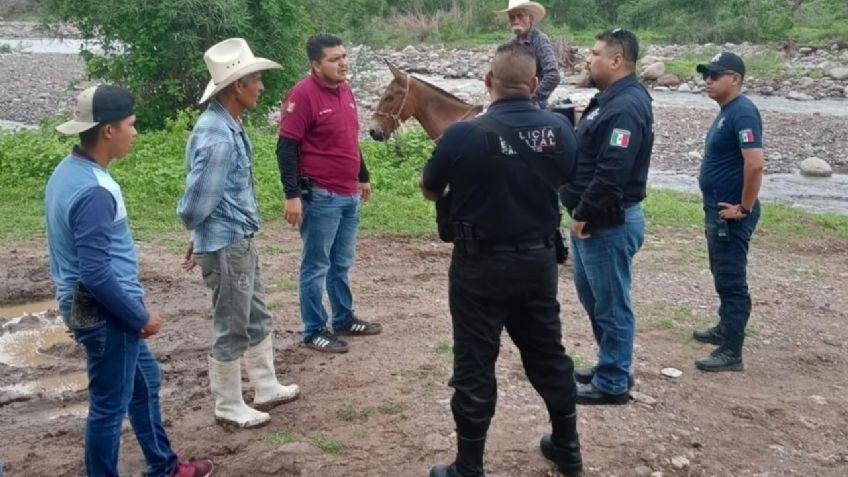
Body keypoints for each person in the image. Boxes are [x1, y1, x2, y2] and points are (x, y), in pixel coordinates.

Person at [421, 43, 582, 477]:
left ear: (488, 81)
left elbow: (431, 189)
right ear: (534, 85)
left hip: (480, 267)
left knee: (474, 362)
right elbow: (569, 176)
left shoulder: (463, 133)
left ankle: (469, 467)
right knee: (548, 355)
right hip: (538, 263)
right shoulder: (560, 130)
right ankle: (567, 448)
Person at [46, 85, 213, 477]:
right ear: (108, 131)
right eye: (131, 125)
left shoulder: (66, 171)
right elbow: (96, 272)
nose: (135, 133)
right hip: (107, 310)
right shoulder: (96, 191)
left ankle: (165, 466)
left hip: (89, 305)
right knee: (108, 405)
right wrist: (139, 317)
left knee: (144, 382)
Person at [177, 38, 299, 429]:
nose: (261, 86)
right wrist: (198, 230)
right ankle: (228, 403)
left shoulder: (226, 124)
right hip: (228, 243)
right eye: (256, 79)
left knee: (255, 312)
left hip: (235, 239)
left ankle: (265, 386)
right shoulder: (217, 136)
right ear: (236, 87)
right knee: (232, 321)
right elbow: (196, 203)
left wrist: (200, 232)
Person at [559, 28, 654, 405]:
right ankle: (610, 363)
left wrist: (583, 213)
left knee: (612, 303)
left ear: (616, 60)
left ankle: (613, 382)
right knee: (595, 299)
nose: (588, 58)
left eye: (595, 53)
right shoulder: (608, 99)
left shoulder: (626, 106)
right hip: (593, 220)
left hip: (606, 222)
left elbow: (613, 169)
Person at [277, 33, 381, 353]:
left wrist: (362, 176)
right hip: (320, 196)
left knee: (341, 262)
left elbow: (350, 139)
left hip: (348, 193)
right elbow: (286, 147)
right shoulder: (303, 95)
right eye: (334, 59)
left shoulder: (345, 89)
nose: (343, 63)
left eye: (344, 56)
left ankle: (344, 318)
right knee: (316, 265)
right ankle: (313, 329)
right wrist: (292, 194)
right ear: (315, 64)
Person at [692, 52, 764, 372]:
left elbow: (755, 163)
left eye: (715, 75)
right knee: (721, 273)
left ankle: (731, 350)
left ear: (734, 79)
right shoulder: (728, 111)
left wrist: (744, 207)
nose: (708, 80)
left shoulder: (743, 112)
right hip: (719, 211)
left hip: (731, 213)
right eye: (706, 75)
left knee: (732, 279)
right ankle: (725, 327)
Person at [496, 0, 560, 109]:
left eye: (520, 16)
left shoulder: (540, 40)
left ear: (530, 18)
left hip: (535, 103)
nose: (516, 21)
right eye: (512, 17)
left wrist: (533, 97)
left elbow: (553, 75)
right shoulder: (511, 44)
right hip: (512, 100)